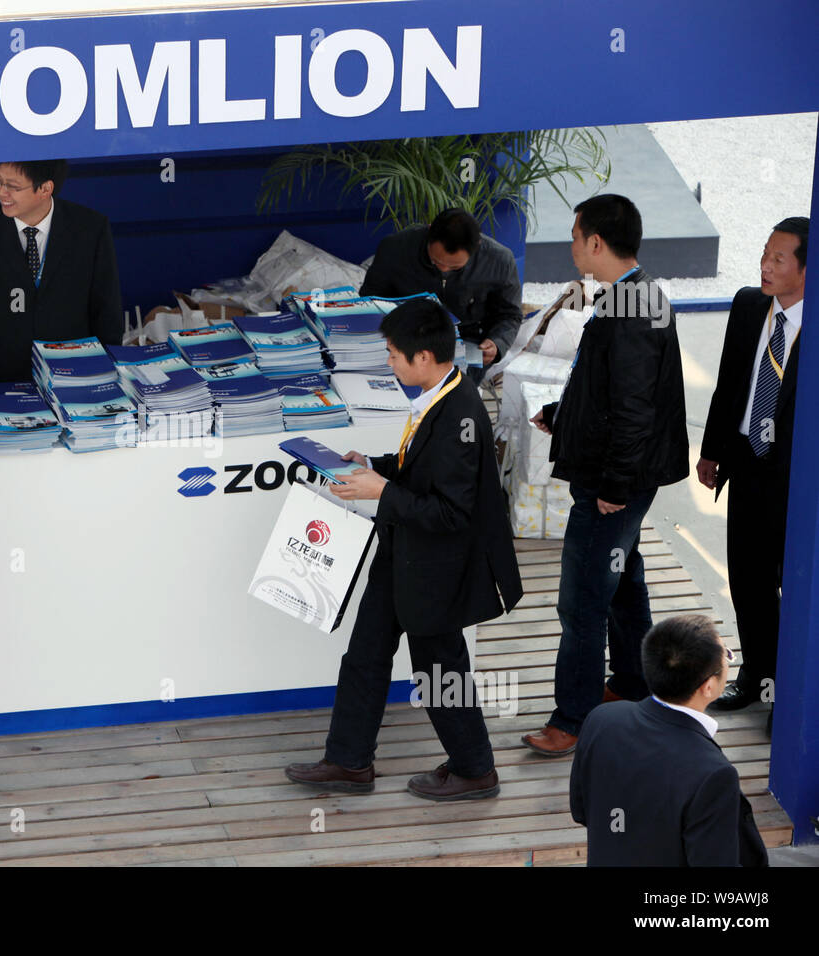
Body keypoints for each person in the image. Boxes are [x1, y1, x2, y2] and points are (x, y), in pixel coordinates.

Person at [284, 297, 523, 800]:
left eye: (393, 354)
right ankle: (349, 761)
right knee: (366, 655)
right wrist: (371, 465)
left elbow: (451, 513)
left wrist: (381, 492)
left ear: (423, 358)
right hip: (403, 555)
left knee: (439, 671)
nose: (388, 363)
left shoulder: (459, 417)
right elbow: (421, 469)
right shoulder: (440, 394)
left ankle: (475, 769)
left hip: (437, 570)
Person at [524, 194, 688, 756]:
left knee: (582, 599)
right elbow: (608, 390)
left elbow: (635, 410)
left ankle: (572, 719)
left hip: (612, 484)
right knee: (623, 580)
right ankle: (634, 682)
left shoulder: (632, 310)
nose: (571, 247)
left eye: (575, 236)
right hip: (615, 473)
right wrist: (563, 419)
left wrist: (615, 487)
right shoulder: (633, 297)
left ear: (596, 242)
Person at [696, 218, 807, 719]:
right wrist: (711, 450)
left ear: (807, 268)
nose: (765, 265)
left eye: (778, 259)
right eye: (765, 253)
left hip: (797, 481)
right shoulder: (746, 307)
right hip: (746, 465)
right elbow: (727, 385)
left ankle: (790, 696)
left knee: (795, 585)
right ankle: (758, 678)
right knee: (748, 579)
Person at [569, 614, 768, 866]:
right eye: (726, 655)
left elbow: (581, 810)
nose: (729, 661)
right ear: (707, 686)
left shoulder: (602, 719)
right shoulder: (713, 775)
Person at [0, 160, 123, 382]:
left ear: (45, 189)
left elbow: (107, 310)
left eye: (13, 186)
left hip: (72, 377)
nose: (1, 192)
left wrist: (103, 372)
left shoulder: (90, 229)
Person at [359, 207, 524, 386]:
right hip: (404, 341)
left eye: (454, 267)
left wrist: (497, 343)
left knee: (451, 396)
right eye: (435, 261)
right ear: (429, 231)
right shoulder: (395, 249)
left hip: (466, 344)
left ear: (476, 246)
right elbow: (370, 301)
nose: (443, 269)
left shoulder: (499, 261)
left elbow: (509, 315)